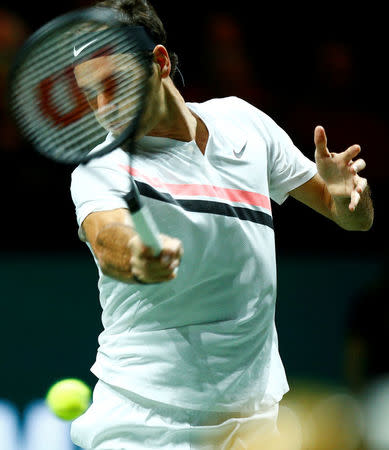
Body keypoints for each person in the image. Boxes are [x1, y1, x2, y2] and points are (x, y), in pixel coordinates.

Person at [69, 0, 374, 448]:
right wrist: (137, 256)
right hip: (145, 426)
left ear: (159, 61)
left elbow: (352, 219)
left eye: (113, 83)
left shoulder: (242, 122)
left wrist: (352, 201)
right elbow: (108, 237)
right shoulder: (102, 166)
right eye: (89, 93)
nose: (102, 105)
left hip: (253, 424)